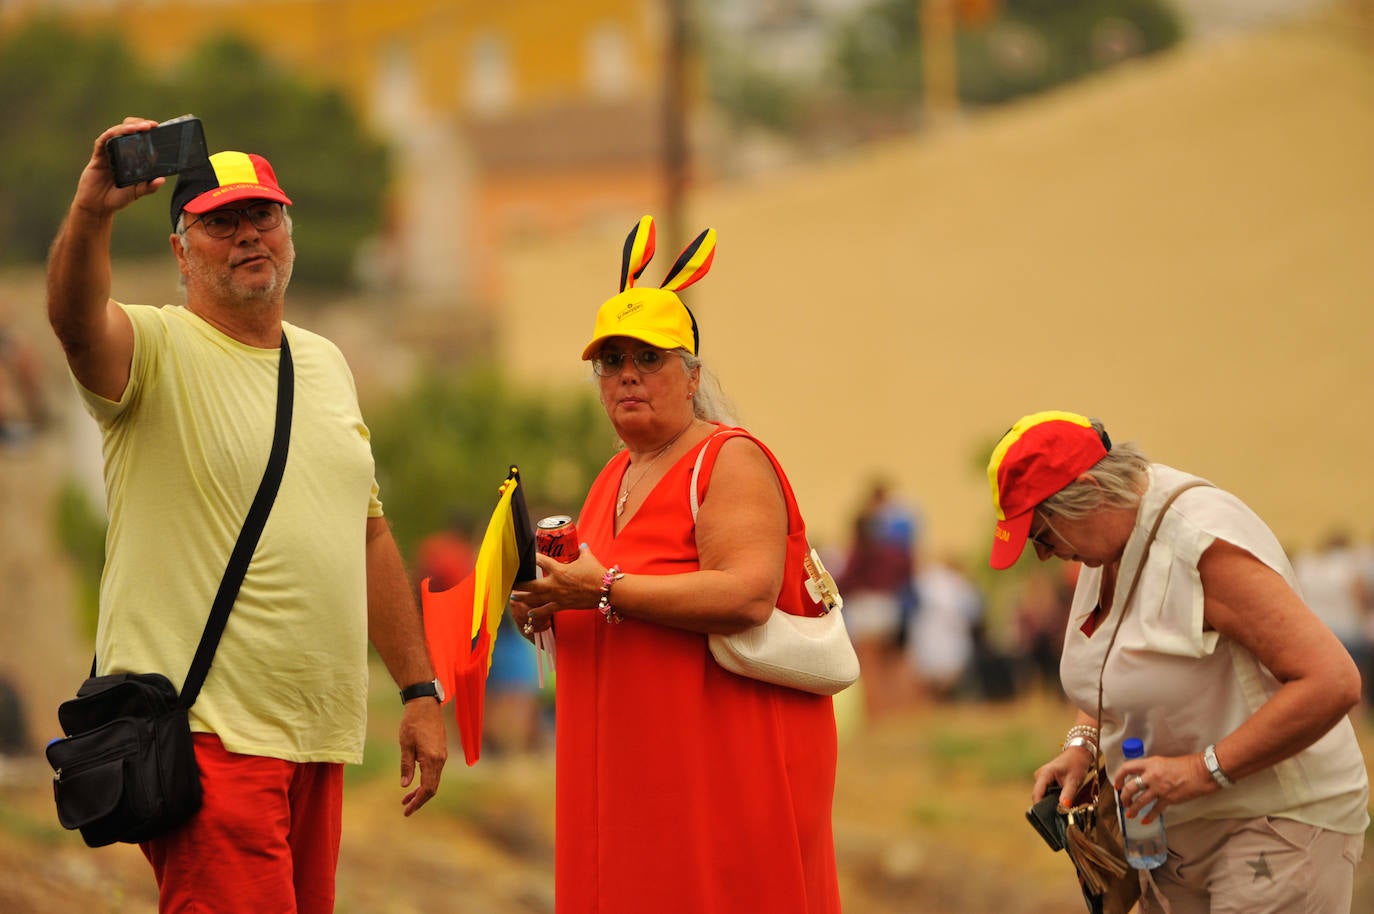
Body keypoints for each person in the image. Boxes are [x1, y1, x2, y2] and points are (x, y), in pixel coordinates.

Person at [45, 118, 447, 913]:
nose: (246, 236)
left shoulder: (325, 364)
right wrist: (92, 214)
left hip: (318, 739)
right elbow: (74, 321)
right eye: (219, 222)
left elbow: (365, 532)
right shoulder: (154, 346)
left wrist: (417, 688)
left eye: (261, 215)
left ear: (288, 231)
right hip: (210, 737)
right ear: (180, 250)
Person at [510, 218, 841, 913]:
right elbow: (609, 601)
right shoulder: (611, 477)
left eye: (650, 358)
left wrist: (600, 588)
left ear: (691, 376)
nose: (628, 373)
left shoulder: (728, 459)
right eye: (611, 360)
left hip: (718, 766)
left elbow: (748, 596)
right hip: (631, 773)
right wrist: (547, 606)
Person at [987, 410, 1368, 913]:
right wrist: (1082, 744)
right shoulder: (1102, 544)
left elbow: (1333, 681)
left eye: (1040, 534)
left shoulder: (1199, 542)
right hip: (1173, 832)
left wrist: (1200, 771)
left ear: (1088, 492)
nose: (1041, 554)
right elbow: (1124, 669)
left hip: (1276, 822)